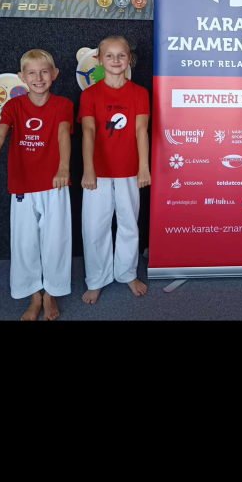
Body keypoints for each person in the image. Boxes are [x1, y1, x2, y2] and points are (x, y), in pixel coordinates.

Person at [0, 50, 73, 321]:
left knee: (56, 242)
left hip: (55, 185)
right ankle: (34, 295)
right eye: (32, 73)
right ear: (22, 77)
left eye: (44, 72)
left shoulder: (63, 104)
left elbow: (63, 133)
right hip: (22, 185)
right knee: (25, 243)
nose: (38, 78)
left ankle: (51, 293)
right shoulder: (14, 106)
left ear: (54, 74)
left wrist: (64, 167)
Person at [78, 38, 151, 304]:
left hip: (129, 169)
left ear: (129, 59)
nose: (116, 60)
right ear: (99, 60)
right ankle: (97, 279)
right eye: (110, 56)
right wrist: (88, 169)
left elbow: (141, 130)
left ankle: (127, 273)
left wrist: (143, 167)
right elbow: (88, 131)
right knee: (94, 226)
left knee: (129, 223)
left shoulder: (139, 93)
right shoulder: (90, 95)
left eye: (122, 55)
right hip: (98, 171)